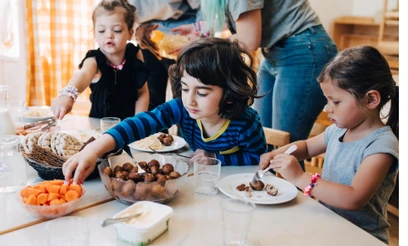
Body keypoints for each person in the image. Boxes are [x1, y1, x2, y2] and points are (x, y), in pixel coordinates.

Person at [63, 38, 267, 184]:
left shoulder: (246, 122)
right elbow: (137, 124)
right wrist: (92, 149)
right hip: (197, 184)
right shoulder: (181, 107)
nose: (190, 100)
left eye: (202, 93)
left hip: (232, 188)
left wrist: (215, 158)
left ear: (230, 93)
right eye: (185, 88)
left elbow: (258, 159)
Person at [259, 46, 399, 244]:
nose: (327, 108)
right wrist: (279, 153)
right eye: (327, 100)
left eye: (335, 101)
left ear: (371, 99)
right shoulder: (339, 130)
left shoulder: (381, 145)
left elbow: (353, 198)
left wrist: (300, 177)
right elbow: (306, 147)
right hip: (330, 227)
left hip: (362, 238)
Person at [189, 0, 337, 169]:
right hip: (274, 52)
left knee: (287, 150)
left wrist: (203, 46)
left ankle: (294, 193)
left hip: (303, 50)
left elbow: (248, 40)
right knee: (263, 142)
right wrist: (199, 33)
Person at [51, 0, 150, 121]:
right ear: (94, 34)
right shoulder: (93, 60)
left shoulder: (135, 54)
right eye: (101, 31)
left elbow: (142, 92)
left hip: (127, 127)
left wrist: (138, 121)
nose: (109, 35)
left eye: (117, 30)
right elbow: (83, 74)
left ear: (130, 33)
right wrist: (68, 95)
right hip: (99, 127)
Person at [131, 0, 201, 111]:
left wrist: (197, 33)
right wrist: (136, 30)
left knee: (184, 99)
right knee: (152, 100)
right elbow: (121, 10)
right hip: (147, 34)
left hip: (182, 34)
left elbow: (205, 8)